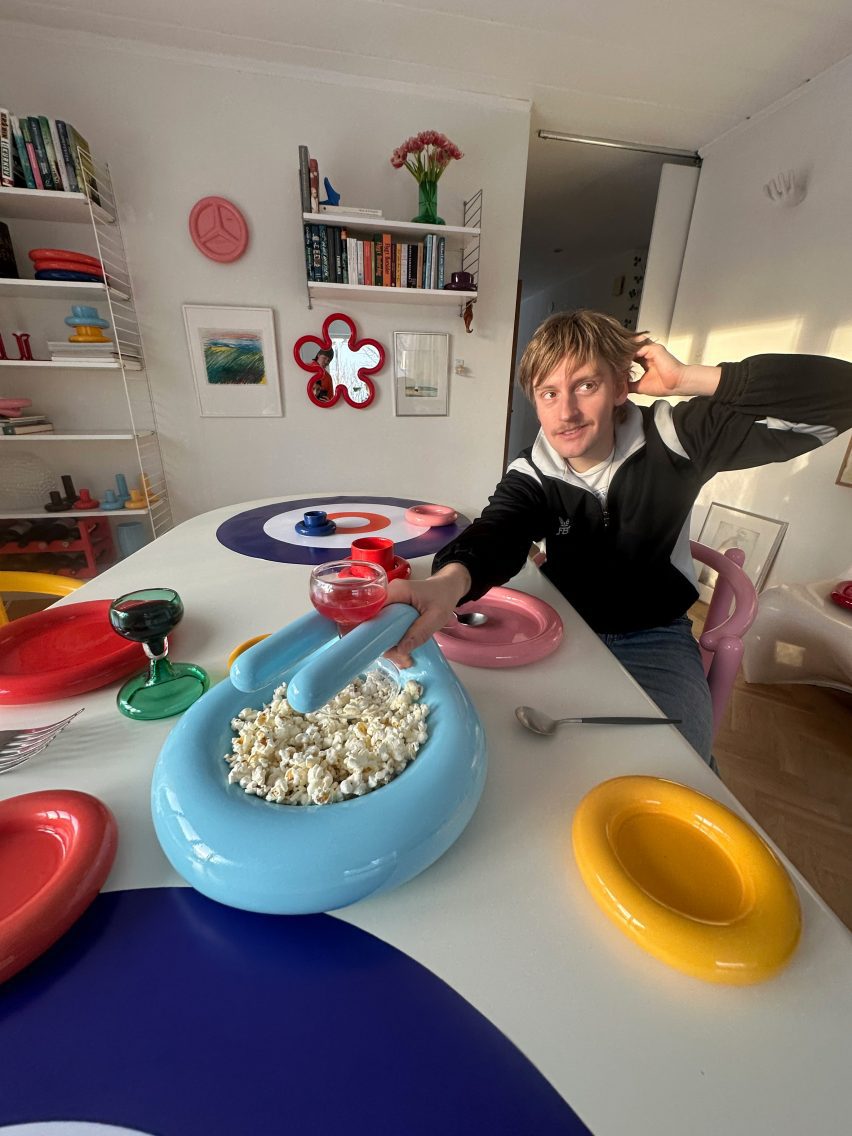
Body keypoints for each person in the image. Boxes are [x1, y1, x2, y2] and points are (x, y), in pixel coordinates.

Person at [384, 309, 852, 766]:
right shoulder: (532, 472)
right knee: (515, 752)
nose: (566, 412)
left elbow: (841, 397)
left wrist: (689, 378)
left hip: (655, 636)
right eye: (548, 393)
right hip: (559, 623)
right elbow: (499, 530)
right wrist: (448, 584)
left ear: (619, 386)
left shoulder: (678, 437)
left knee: (680, 763)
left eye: (585, 385)